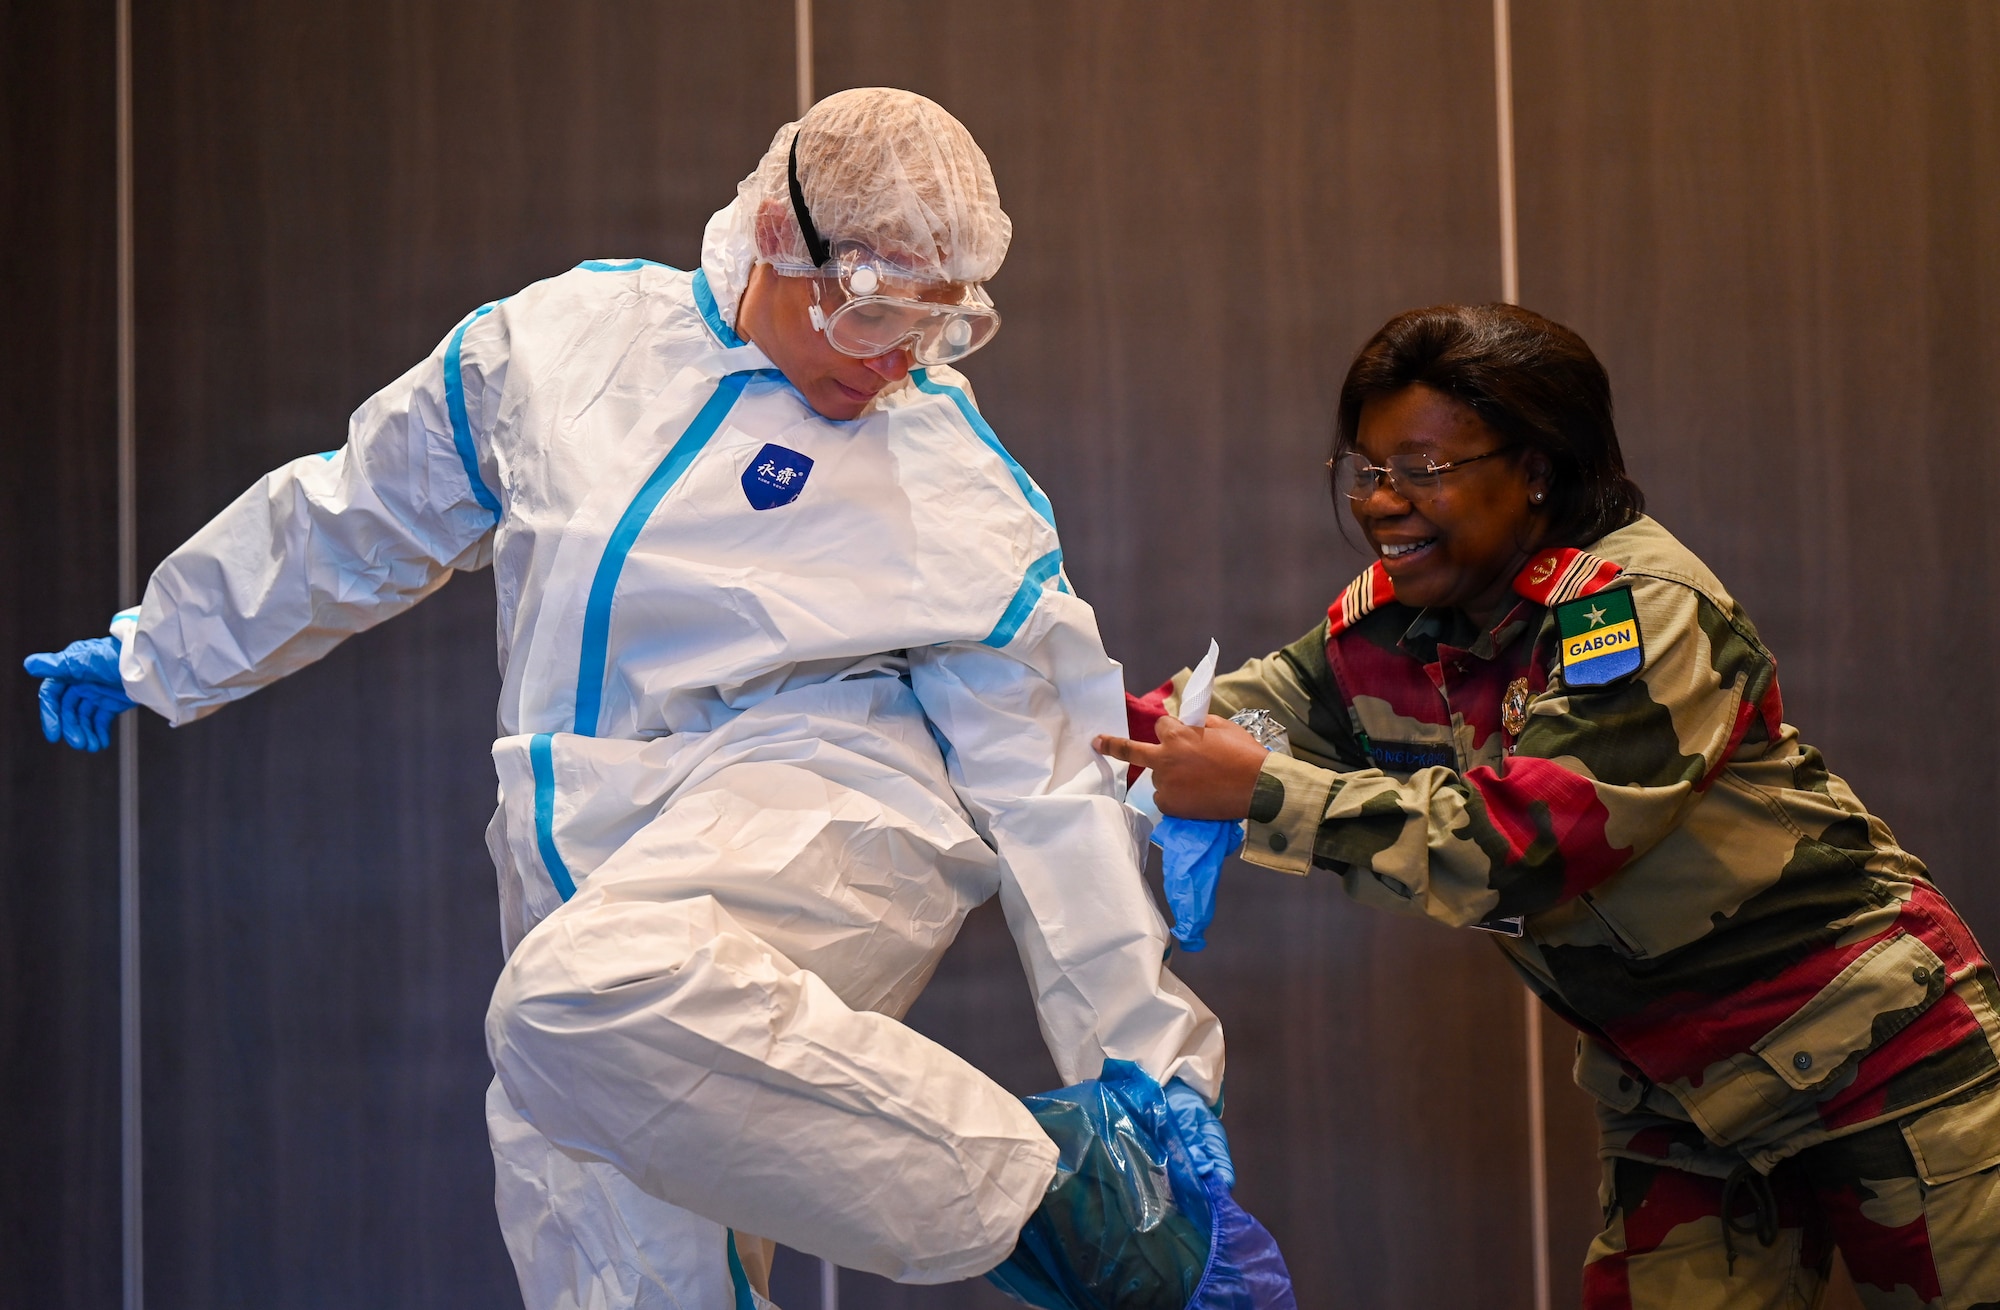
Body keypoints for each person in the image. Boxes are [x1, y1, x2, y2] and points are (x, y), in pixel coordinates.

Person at [25, 89, 1288, 1310]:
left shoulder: (945, 474)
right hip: (572, 863)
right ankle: (1062, 1207)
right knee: (614, 1255)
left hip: (837, 807)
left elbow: (1046, 775)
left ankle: (1067, 1206)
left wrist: (1144, 1057)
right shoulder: (557, 351)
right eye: (870, 315)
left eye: (936, 326)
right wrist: (161, 645)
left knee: (586, 990)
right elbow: (357, 510)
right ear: (780, 240)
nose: (897, 358)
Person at [1095, 303, 2000, 1307]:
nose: (1383, 502)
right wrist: (1021, 697)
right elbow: (1199, 722)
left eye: (1421, 468)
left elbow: (1519, 844)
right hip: (1674, 1099)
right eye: (1365, 470)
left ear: (1534, 466)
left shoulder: (1636, 609)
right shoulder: (1392, 622)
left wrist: (1261, 790)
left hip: (1874, 1063)